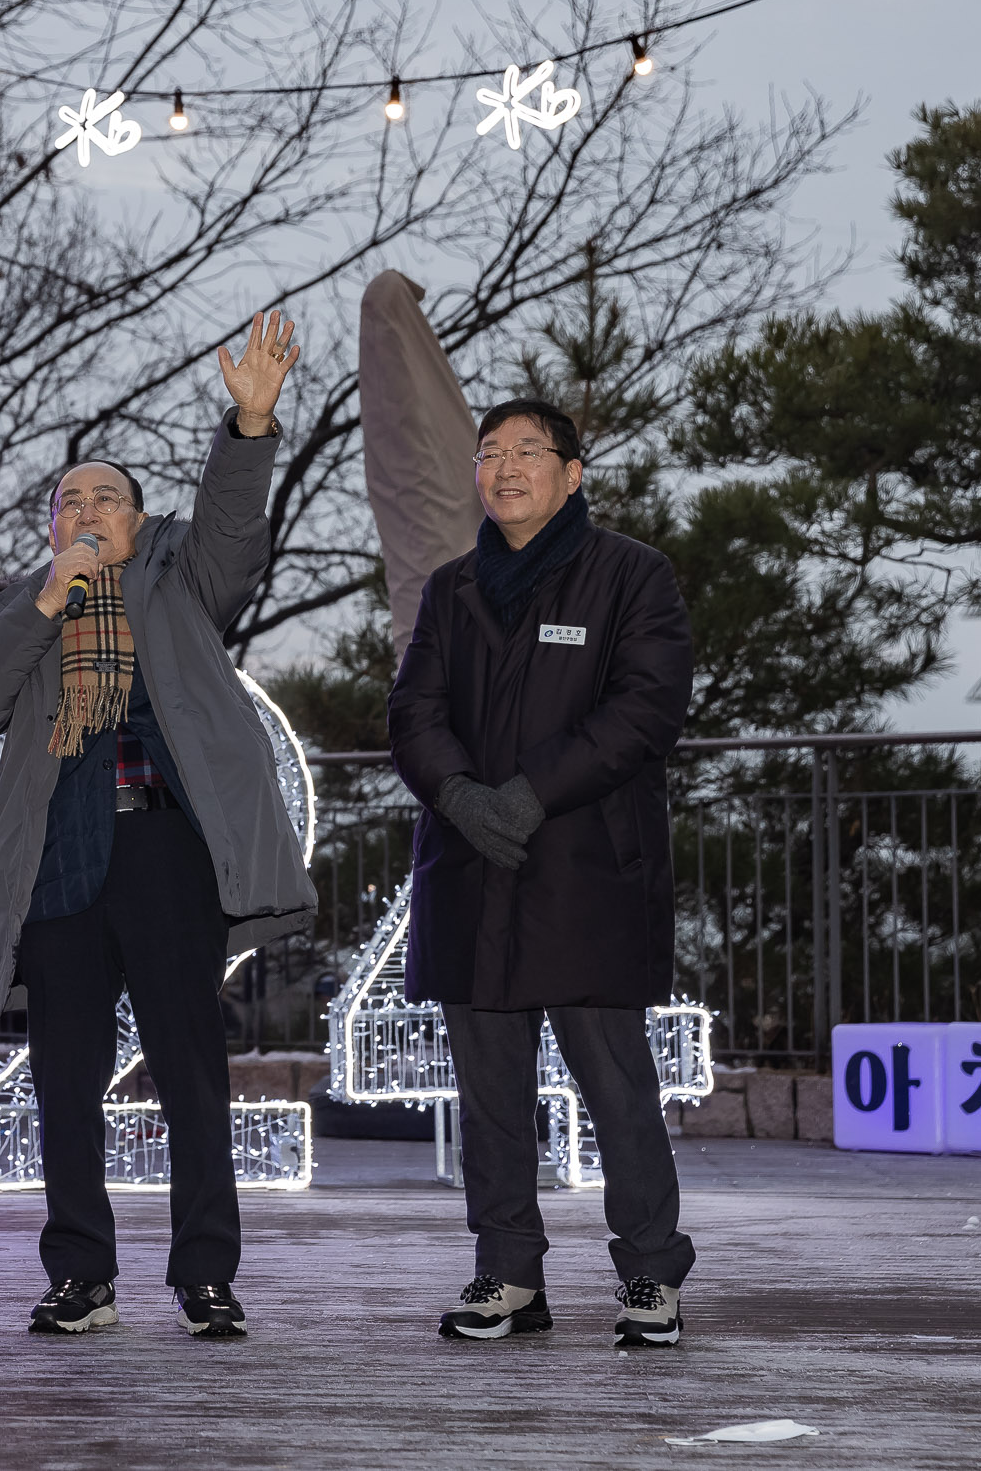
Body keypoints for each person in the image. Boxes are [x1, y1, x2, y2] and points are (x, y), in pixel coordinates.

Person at [0, 311, 316, 1339]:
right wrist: (45, 602)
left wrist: (247, 429)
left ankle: (204, 1272)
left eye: (108, 495)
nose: (89, 507)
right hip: (61, 859)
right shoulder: (31, 603)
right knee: (63, 1081)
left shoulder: (179, 581)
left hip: (163, 848)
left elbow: (234, 537)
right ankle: (80, 1273)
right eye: (71, 499)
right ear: (51, 527)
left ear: (142, 521)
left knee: (189, 1068)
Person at [387, 396, 695, 1347]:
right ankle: (508, 1273)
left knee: (616, 1090)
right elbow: (414, 715)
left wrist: (524, 796)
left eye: (529, 450)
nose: (506, 466)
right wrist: (466, 798)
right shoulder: (452, 588)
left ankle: (649, 1274)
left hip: (586, 871)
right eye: (490, 452)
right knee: (488, 1096)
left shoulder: (632, 576)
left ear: (572, 473)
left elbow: (645, 710)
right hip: (473, 868)